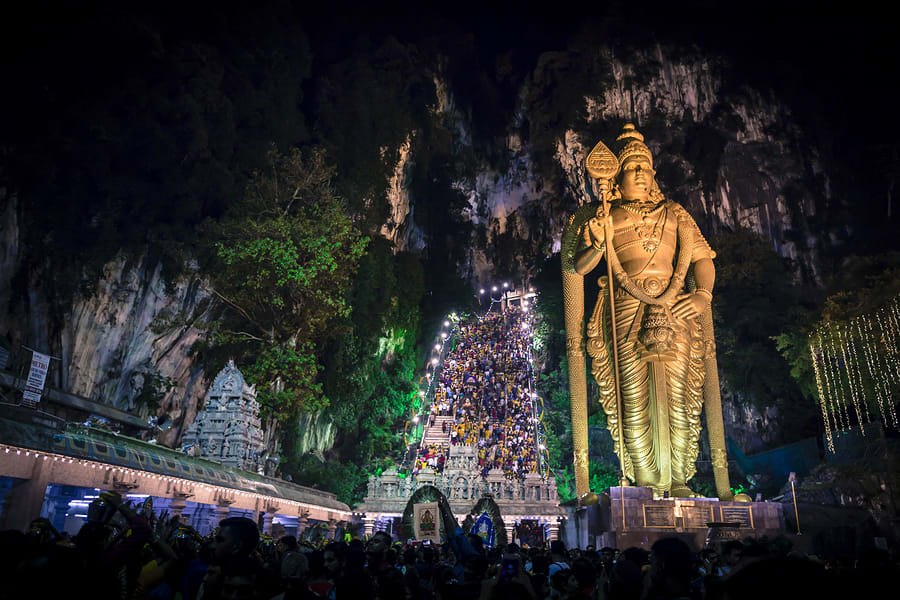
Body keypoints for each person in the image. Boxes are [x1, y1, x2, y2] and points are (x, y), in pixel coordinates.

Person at [570, 123, 722, 497]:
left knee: (682, 393)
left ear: (654, 174)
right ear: (617, 176)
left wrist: (702, 294)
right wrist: (600, 241)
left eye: (645, 165)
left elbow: (703, 259)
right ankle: (644, 482)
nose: (639, 171)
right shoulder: (605, 215)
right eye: (631, 165)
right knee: (633, 401)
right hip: (624, 308)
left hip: (676, 309)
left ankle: (681, 479)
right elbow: (580, 266)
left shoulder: (676, 213)